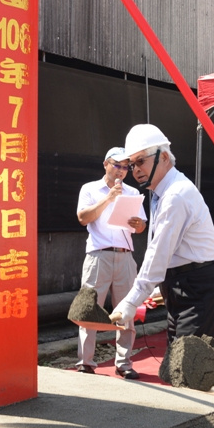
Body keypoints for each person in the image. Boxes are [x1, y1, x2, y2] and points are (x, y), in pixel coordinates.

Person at [107, 124, 214, 345]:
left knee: (190, 368)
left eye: (140, 161)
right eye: (132, 164)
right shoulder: (161, 192)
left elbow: (159, 251)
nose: (135, 170)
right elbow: (162, 249)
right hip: (183, 283)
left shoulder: (175, 194)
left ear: (163, 157)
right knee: (179, 366)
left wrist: (133, 300)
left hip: (200, 287)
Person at [74, 147, 148, 378]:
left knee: (127, 309)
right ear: (105, 164)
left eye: (126, 167)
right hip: (99, 255)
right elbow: (83, 218)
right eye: (117, 165)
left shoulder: (133, 192)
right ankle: (85, 362)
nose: (122, 171)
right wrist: (108, 198)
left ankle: (124, 363)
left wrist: (138, 224)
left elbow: (142, 226)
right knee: (90, 308)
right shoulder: (90, 189)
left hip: (125, 255)